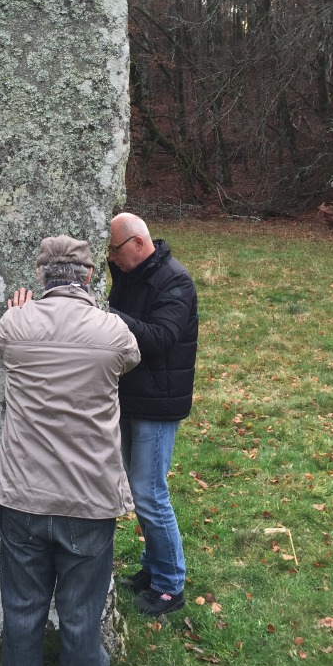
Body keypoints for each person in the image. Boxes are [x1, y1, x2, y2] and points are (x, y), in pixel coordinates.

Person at [0, 235, 140, 666]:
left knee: (22, 622)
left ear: (42, 277)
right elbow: (131, 359)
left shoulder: (15, 325)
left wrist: (24, 313)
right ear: (89, 276)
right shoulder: (112, 332)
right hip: (88, 500)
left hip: (24, 497)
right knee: (81, 625)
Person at [107, 212, 198, 617]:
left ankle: (170, 584)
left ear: (139, 245)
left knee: (150, 493)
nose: (111, 258)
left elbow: (161, 338)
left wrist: (110, 319)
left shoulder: (174, 281)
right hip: (130, 397)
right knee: (138, 490)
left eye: (115, 250)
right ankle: (152, 568)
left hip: (157, 404)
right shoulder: (132, 273)